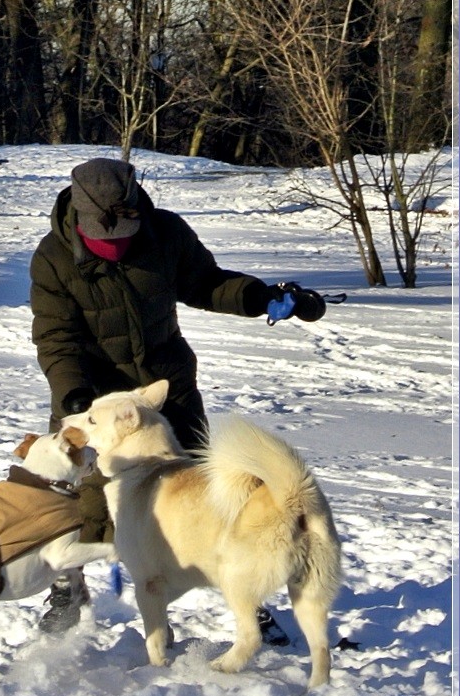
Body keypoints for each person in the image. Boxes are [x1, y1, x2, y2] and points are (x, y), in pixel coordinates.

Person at [29, 157, 326, 640]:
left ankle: (246, 592)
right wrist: (77, 402)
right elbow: (56, 337)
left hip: (167, 389)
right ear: (81, 220)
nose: (119, 242)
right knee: (84, 500)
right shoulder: (53, 258)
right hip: (93, 397)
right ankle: (68, 588)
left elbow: (206, 283)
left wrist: (261, 297)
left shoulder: (164, 234)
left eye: (127, 230)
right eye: (108, 236)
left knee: (207, 493)